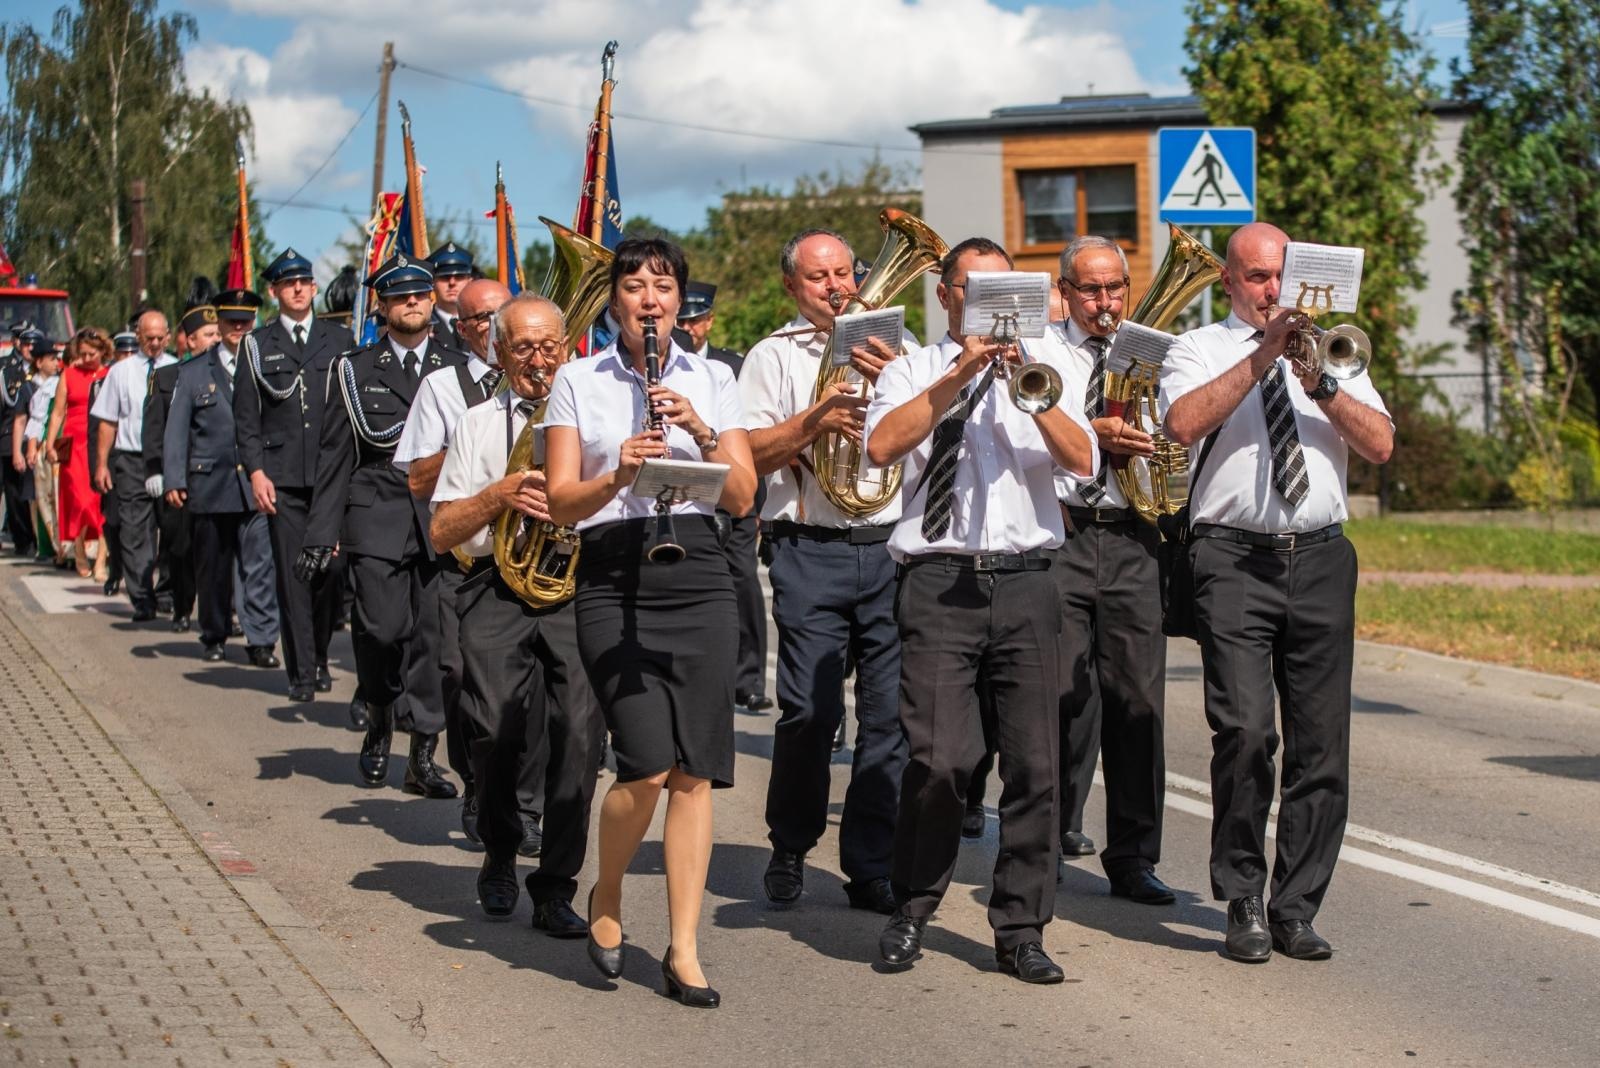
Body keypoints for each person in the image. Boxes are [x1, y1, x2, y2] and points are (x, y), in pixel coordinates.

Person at [863, 237, 1096, 984]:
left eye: (1008, 295)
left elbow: (1082, 459)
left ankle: (1021, 927)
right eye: (976, 292)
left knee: (1036, 767)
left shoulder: (1049, 368)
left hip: (1027, 581)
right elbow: (881, 445)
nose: (993, 308)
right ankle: (914, 903)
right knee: (939, 760)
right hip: (937, 581)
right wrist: (962, 371)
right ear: (947, 297)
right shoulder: (913, 368)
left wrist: (1035, 389)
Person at [1161, 222, 1393, 963]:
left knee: (1322, 746)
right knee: (1247, 733)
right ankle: (1242, 897)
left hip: (1321, 558)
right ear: (1229, 281)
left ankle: (1295, 906)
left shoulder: (1334, 350)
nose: (1272, 290)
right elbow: (1181, 422)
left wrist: (1318, 378)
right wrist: (1265, 355)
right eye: (1258, 277)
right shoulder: (1198, 349)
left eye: (1281, 276)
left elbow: (1382, 444)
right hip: (1232, 559)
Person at [544, 236, 756, 1008]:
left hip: (699, 571)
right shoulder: (577, 379)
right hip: (612, 570)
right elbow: (562, 500)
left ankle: (683, 947)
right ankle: (606, 893)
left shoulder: (715, 376)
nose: (649, 299)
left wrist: (700, 426)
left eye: (662, 286)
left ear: (679, 299)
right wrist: (617, 476)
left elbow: (740, 496)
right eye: (634, 286)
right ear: (614, 302)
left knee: (695, 771)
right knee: (646, 763)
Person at [740, 229, 907, 914]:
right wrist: (814, 422)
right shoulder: (772, 356)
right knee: (809, 711)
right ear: (793, 287)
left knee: (889, 717)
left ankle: (870, 862)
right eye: (819, 277)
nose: (837, 286)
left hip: (891, 545)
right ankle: (790, 841)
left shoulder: (900, 348)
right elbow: (747, 448)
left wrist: (899, 378)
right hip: (810, 548)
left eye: (844, 271)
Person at [430, 292, 604, 934]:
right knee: (492, 729)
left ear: (569, 347)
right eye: (524, 348)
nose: (539, 360)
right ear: (498, 353)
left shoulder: (595, 412)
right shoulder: (477, 423)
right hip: (495, 587)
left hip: (577, 589)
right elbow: (443, 531)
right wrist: (500, 495)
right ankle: (500, 850)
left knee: (581, 740)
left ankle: (556, 884)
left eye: (550, 346)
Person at [1040, 235, 1177, 903]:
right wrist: (1095, 433)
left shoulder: (1149, 348)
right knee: (1060, 694)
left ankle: (1133, 856)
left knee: (1139, 702)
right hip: (1062, 534)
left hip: (1132, 536)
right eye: (1091, 290)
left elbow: (1177, 430)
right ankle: (1051, 830)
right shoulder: (1042, 352)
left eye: (1115, 288)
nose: (1105, 302)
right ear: (1065, 293)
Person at [395, 277, 551, 851]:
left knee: (537, 696)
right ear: (464, 330)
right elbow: (415, 479)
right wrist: (481, 450)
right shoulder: (445, 388)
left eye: (498, 316)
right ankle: (478, 786)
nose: (490, 328)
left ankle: (527, 809)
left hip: (542, 562)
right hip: (470, 558)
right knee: (463, 681)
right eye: (481, 320)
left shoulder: (565, 389)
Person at [297, 252, 462, 798]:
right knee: (380, 630)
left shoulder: (457, 363)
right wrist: (321, 531)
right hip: (377, 512)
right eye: (398, 296)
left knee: (435, 642)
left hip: (440, 514)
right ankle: (379, 716)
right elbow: (335, 455)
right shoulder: (356, 369)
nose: (411, 302)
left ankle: (421, 756)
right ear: (383, 306)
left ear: (432, 299)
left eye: (419, 293)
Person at [234, 249, 353, 702]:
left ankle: (320, 654)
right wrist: (256, 471)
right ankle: (302, 673)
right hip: (281, 476)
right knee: (292, 575)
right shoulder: (257, 345)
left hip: (330, 475)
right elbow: (246, 417)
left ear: (315, 287)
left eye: (304, 281)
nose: (299, 289)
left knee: (332, 571)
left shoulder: (339, 340)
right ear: (274, 292)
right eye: (288, 283)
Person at [163, 289, 280, 667]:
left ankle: (261, 639)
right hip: (211, 483)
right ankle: (213, 633)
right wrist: (173, 478)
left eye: (246, 320)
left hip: (256, 485)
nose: (239, 327)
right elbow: (177, 428)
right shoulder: (194, 371)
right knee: (212, 567)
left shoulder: (267, 363)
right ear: (221, 323)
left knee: (259, 566)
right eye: (231, 321)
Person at [678, 282, 771, 714]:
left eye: (697, 319)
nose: (689, 327)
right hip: (683, 493)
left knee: (743, 582)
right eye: (684, 320)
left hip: (730, 493)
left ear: (710, 321)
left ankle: (747, 679)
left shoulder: (731, 365)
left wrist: (756, 504)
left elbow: (748, 442)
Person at [90, 312, 175, 619]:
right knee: (135, 531)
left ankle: (166, 590)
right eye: (148, 338)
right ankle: (142, 597)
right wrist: (102, 464)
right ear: (138, 336)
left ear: (167, 336)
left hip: (167, 460)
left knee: (173, 529)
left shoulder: (177, 368)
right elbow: (107, 422)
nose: (154, 344)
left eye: (159, 338)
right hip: (130, 460)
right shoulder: (120, 372)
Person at [145, 303, 218, 632]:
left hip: (217, 477)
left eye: (217, 333)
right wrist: (156, 470)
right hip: (181, 475)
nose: (215, 339)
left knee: (216, 549)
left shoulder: (230, 375)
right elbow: (155, 427)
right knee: (180, 546)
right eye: (207, 335)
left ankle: (217, 612)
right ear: (190, 341)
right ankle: (182, 607)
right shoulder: (167, 376)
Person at [44, 328, 113, 580]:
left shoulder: (109, 375)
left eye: (91, 354)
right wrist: (51, 444)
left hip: (101, 442)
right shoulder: (69, 374)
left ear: (103, 351)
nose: (85, 358)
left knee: (102, 503)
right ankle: (80, 551)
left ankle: (101, 561)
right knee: (80, 502)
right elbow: (57, 413)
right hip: (73, 445)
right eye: (81, 353)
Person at [2, 323, 36, 556]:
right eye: (25, 344)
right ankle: (22, 539)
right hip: (8, 434)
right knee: (14, 493)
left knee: (35, 493)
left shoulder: (50, 369)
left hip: (35, 437)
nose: (29, 349)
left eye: (33, 344)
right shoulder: (7, 370)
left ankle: (37, 538)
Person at [427, 242, 474, 350]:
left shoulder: (480, 324)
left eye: (459, 276)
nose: (452, 282)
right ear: (432, 283)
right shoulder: (423, 327)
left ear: (470, 282)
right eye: (445, 277)